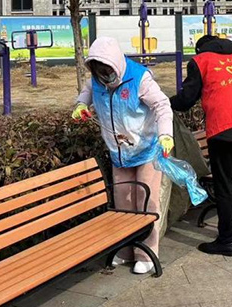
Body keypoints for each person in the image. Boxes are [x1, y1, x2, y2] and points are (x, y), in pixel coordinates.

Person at [72, 37, 173, 274]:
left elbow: (162, 105)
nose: (104, 76)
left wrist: (165, 134)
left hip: (146, 150)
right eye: (99, 70)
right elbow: (86, 92)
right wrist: (81, 105)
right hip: (119, 152)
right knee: (124, 202)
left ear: (116, 64)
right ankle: (126, 249)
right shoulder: (95, 81)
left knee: (146, 201)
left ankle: (146, 253)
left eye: (107, 70)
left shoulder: (139, 78)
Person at [170, 36, 232, 257]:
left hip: (223, 130)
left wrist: (165, 102)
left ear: (200, 49)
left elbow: (186, 100)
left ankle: (227, 240)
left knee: (224, 185)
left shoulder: (201, 61)